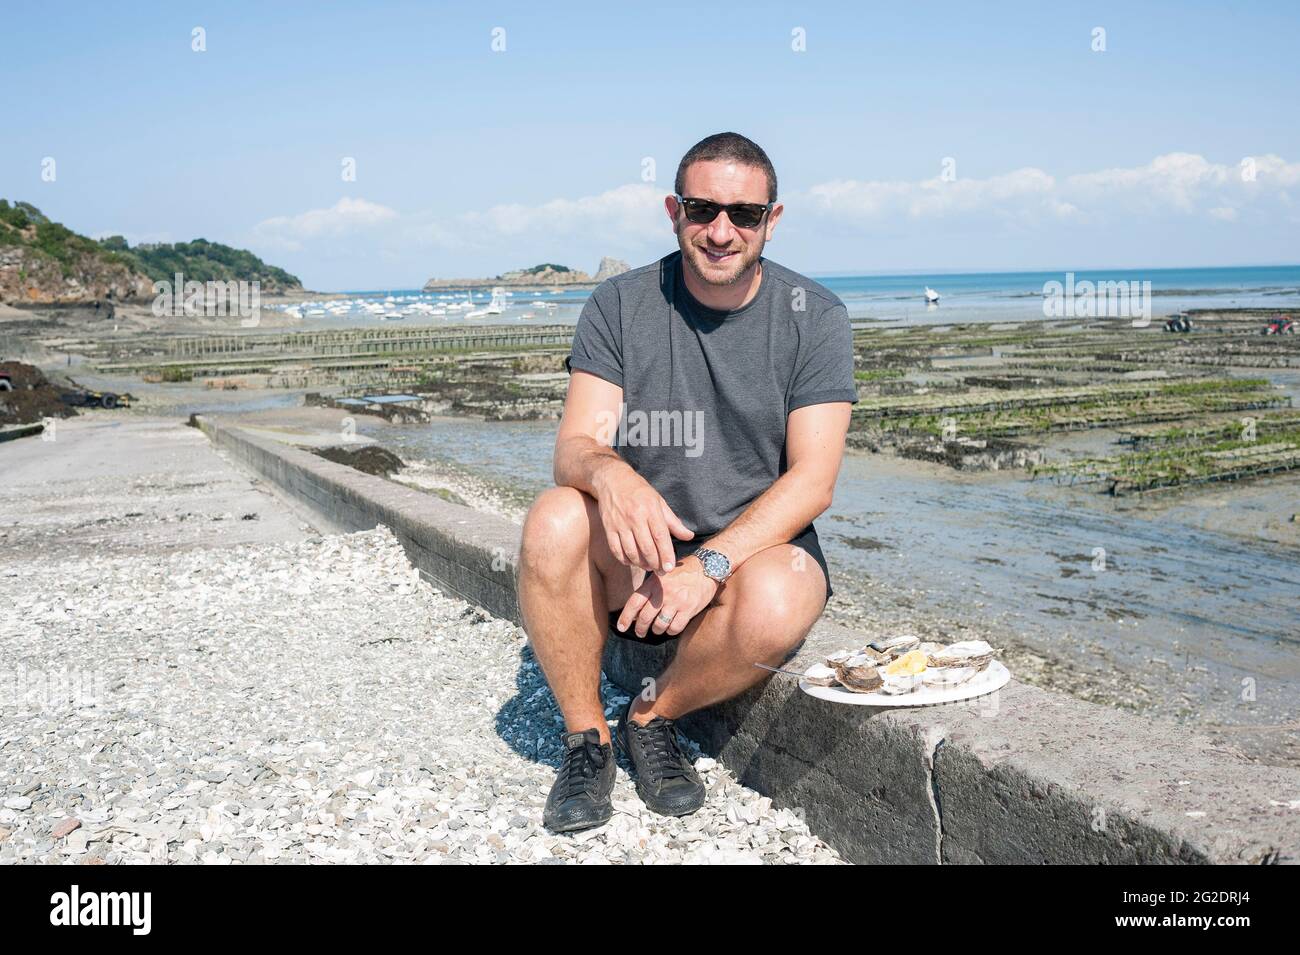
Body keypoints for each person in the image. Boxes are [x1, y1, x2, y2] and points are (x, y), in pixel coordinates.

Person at [517, 132, 859, 832]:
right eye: (702, 209)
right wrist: (611, 474)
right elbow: (575, 445)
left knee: (786, 590)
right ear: (673, 210)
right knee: (555, 516)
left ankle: (651, 717)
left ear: (773, 219)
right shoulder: (620, 304)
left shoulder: (815, 317)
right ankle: (588, 741)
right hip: (637, 550)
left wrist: (708, 565)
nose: (722, 230)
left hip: (743, 550)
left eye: (744, 214)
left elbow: (814, 480)